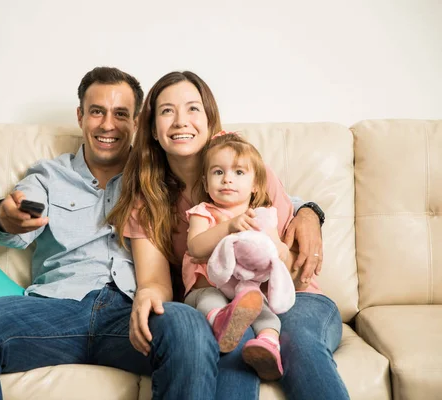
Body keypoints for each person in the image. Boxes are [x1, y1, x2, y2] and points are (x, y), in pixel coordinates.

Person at [0, 67, 220, 400]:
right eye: (97, 112)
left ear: (137, 121)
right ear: (80, 116)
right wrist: (6, 216)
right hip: (57, 309)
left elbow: (250, 196)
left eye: (121, 114)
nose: (108, 124)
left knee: (188, 326)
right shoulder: (49, 174)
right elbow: (13, 217)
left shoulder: (157, 174)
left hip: (131, 312)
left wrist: (301, 211)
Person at [109, 70, 350, 399]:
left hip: (295, 298)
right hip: (223, 304)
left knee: (298, 344)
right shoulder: (147, 197)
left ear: (210, 119)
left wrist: (307, 215)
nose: (181, 121)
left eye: (193, 108)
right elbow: (156, 280)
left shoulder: (246, 168)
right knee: (229, 347)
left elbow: (294, 266)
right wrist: (145, 296)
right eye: (167, 111)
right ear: (152, 128)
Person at [184, 131, 298, 381]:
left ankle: (268, 345)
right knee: (209, 300)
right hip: (207, 287)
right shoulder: (203, 212)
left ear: (256, 184)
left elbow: (276, 248)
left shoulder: (262, 216)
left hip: (246, 292)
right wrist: (228, 226)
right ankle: (221, 320)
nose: (227, 180)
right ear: (205, 183)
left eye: (238, 173)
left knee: (266, 312)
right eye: (218, 172)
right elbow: (195, 247)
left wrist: (279, 250)